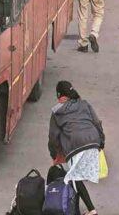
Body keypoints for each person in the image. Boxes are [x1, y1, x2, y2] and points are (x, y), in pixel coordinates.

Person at [48, 81, 104, 215]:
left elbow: (53, 137)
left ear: (59, 94)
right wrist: (101, 143)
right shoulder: (84, 104)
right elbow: (97, 123)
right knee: (75, 176)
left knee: (75, 176)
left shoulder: (57, 111)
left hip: (76, 144)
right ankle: (81, 210)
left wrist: (54, 154)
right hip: (93, 140)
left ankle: (91, 210)